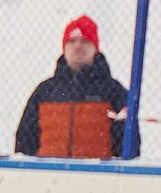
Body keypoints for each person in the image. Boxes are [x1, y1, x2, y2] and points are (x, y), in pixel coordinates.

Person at [13, 16, 133, 159]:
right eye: (72, 41)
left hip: (98, 177)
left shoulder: (113, 91)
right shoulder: (45, 91)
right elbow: (24, 140)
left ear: (95, 48)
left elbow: (129, 143)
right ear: (64, 47)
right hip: (48, 176)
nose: (78, 46)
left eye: (85, 41)